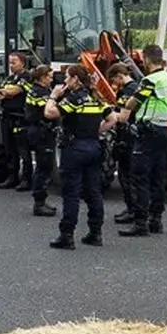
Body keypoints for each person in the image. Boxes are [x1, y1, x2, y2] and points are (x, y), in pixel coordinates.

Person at [43, 64, 116, 249]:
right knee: (94, 191)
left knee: (71, 193)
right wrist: (96, 131)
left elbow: (49, 113)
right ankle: (95, 233)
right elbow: (113, 119)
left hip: (74, 148)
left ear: (75, 79)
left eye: (67, 77)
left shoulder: (75, 99)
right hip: (93, 146)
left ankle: (66, 236)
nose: (65, 81)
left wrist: (53, 96)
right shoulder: (95, 98)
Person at [109, 45, 167, 237]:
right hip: (163, 130)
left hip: (148, 130)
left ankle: (140, 222)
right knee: (157, 176)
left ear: (146, 59)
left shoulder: (150, 80)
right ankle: (156, 219)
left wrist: (130, 101)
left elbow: (132, 103)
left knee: (139, 177)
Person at [105, 63, 141, 223]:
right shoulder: (135, 87)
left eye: (114, 79)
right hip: (131, 134)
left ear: (120, 75)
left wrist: (106, 111)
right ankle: (132, 208)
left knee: (127, 175)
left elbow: (122, 116)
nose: (115, 83)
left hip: (127, 135)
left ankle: (132, 209)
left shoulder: (128, 90)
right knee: (129, 174)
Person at [0, 52, 32, 190]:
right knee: (9, 149)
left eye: (13, 62)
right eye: (9, 62)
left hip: (20, 118)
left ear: (22, 63)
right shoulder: (9, 78)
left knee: (23, 150)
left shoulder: (27, 77)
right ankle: (12, 177)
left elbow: (13, 92)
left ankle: (26, 180)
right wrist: (4, 92)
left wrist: (5, 92)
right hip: (7, 117)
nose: (11, 65)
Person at [24, 65, 58, 217]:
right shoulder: (40, 93)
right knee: (44, 167)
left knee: (43, 166)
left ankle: (41, 200)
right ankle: (39, 203)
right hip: (41, 133)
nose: (51, 80)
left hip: (38, 131)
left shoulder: (36, 90)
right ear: (42, 77)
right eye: (49, 77)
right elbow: (49, 112)